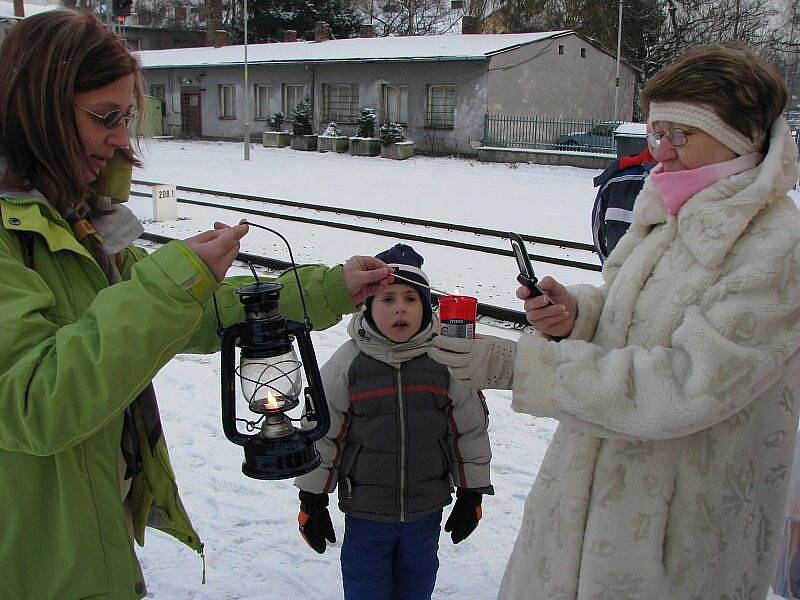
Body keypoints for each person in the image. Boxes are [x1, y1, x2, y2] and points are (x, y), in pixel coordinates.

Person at [0, 11, 393, 599]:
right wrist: (167, 285)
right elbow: (32, 402)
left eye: (125, 118)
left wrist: (328, 288)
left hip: (88, 542)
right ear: (36, 112)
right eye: (104, 118)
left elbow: (179, 320)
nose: (119, 140)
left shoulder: (73, 227)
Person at [429, 42, 800, 599]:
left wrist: (522, 364)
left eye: (681, 135)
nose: (660, 154)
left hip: (672, 536)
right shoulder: (668, 207)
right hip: (584, 497)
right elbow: (631, 306)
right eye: (656, 133)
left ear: (739, 138)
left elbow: (686, 384)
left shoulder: (777, 248)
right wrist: (577, 313)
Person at [293, 243, 493, 600]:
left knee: (417, 584)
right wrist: (312, 497)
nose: (400, 307)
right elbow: (323, 435)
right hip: (366, 508)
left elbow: (469, 431)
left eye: (410, 299)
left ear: (425, 307)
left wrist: (471, 491)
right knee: (365, 585)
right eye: (387, 300)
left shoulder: (445, 361)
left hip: (425, 506)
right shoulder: (348, 365)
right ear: (367, 307)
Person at [591, 145, 655, 262]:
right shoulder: (616, 181)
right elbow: (599, 234)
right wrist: (613, 274)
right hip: (619, 275)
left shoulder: (691, 187)